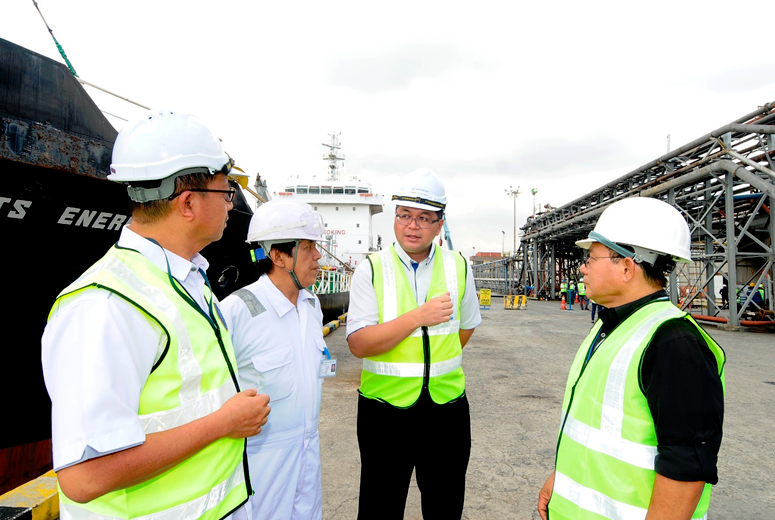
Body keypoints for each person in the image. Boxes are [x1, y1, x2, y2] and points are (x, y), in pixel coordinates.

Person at [42, 110, 271, 519]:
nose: (232, 203)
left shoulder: (190, 278)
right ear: (188, 203)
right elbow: (84, 477)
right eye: (227, 192)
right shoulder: (104, 306)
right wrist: (224, 423)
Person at [537, 197, 725, 520]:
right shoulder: (611, 326)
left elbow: (685, 469)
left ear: (626, 267)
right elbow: (600, 433)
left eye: (591, 257)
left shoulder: (675, 344)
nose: (583, 267)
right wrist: (562, 480)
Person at [346, 168, 482, 520]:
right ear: (395, 218)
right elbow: (359, 344)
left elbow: (464, 330)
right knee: (380, 507)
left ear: (440, 225)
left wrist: (435, 366)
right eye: (404, 215)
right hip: (384, 412)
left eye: (424, 218)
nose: (412, 226)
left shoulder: (460, 267)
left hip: (447, 411)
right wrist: (417, 318)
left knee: (445, 506)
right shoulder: (371, 270)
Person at [221, 200, 329, 520]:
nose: (318, 255)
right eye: (308, 247)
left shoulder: (311, 306)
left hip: (307, 454)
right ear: (278, 255)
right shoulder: (237, 311)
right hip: (260, 463)